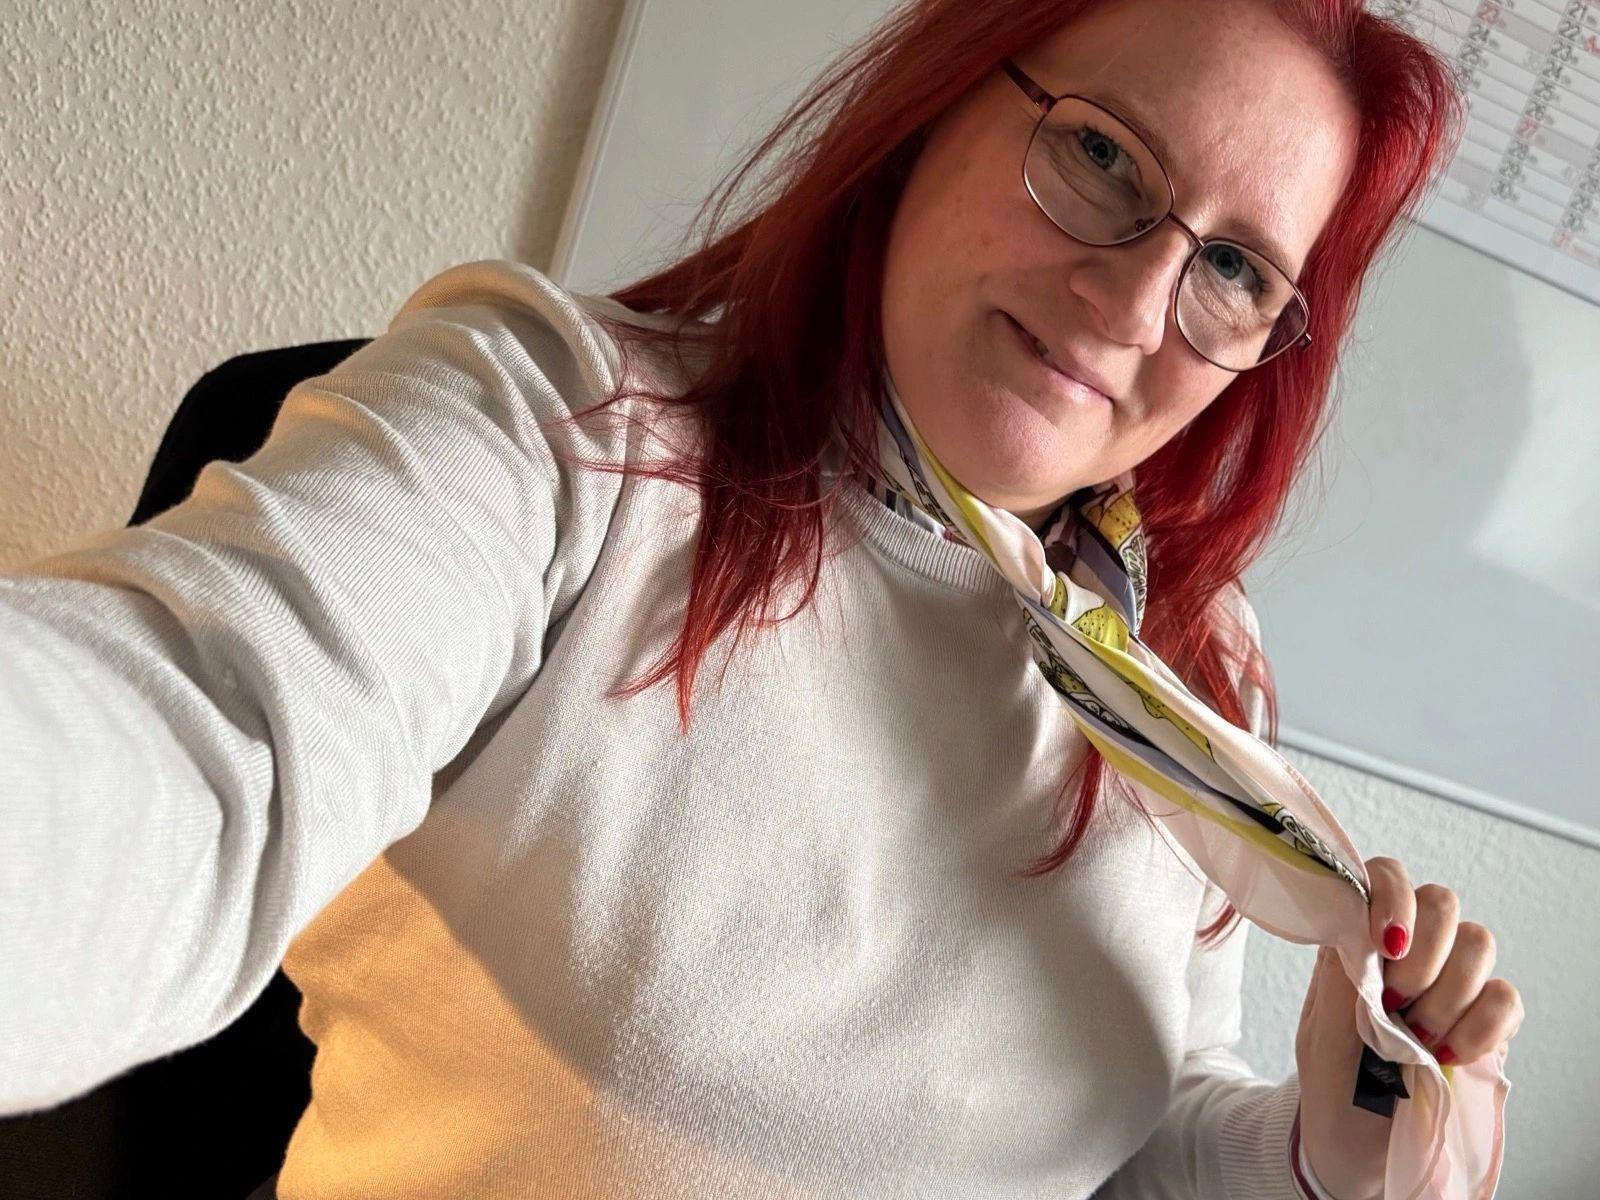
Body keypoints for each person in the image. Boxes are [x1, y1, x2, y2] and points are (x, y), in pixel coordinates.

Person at [0, 0, 1525, 1196]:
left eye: (1237, 269)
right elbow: (192, 748)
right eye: (1105, 158)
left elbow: (1125, 1131)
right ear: (940, 104)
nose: (1133, 306)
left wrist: (1324, 1142)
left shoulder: (1196, 661)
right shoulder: (560, 435)